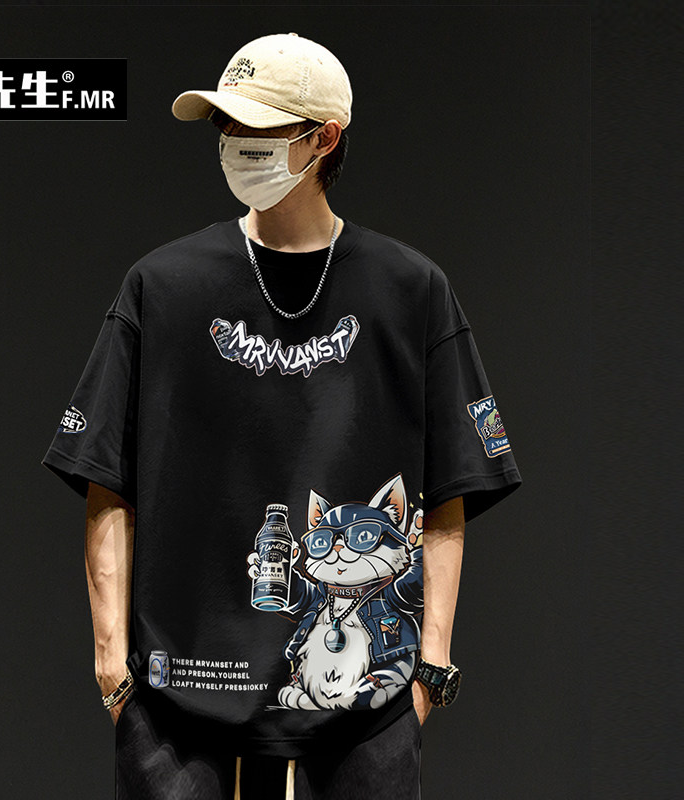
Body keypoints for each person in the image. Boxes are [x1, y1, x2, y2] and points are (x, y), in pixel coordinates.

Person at [41, 32, 522, 800]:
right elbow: (106, 479)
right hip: (178, 697)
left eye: (257, 127)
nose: (235, 143)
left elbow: (450, 489)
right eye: (225, 124)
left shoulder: (411, 291)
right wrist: (111, 666)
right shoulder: (162, 286)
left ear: (323, 139)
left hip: (364, 706)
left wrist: (429, 668)